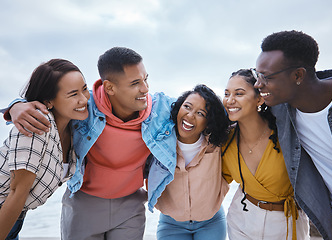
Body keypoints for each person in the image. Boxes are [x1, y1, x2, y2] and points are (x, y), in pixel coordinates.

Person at [4, 47, 178, 240]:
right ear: (109, 87)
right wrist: (16, 106)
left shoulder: (160, 110)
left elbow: (196, 105)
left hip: (130, 206)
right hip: (82, 204)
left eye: (146, 79)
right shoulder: (85, 108)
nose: (145, 88)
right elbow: (51, 102)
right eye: (135, 83)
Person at [252, 30, 332, 240]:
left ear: (298, 75)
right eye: (257, 75)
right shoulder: (280, 109)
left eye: (266, 77)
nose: (258, 84)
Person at [0, 59, 90, 240]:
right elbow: (17, 193)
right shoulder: (37, 125)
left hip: (15, 218)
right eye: (73, 94)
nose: (84, 99)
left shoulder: (73, 127)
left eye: (84, 89)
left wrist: (15, 105)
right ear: (49, 101)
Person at [221, 69, 310, 240]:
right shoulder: (226, 140)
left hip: (286, 223)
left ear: (260, 98)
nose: (230, 100)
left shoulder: (285, 135)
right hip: (242, 219)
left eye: (238, 93)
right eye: (227, 93)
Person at [153, 84, 229, 240]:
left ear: (208, 122)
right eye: (187, 106)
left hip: (211, 222)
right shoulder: (159, 142)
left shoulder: (217, 144)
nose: (190, 115)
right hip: (171, 224)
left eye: (200, 113)